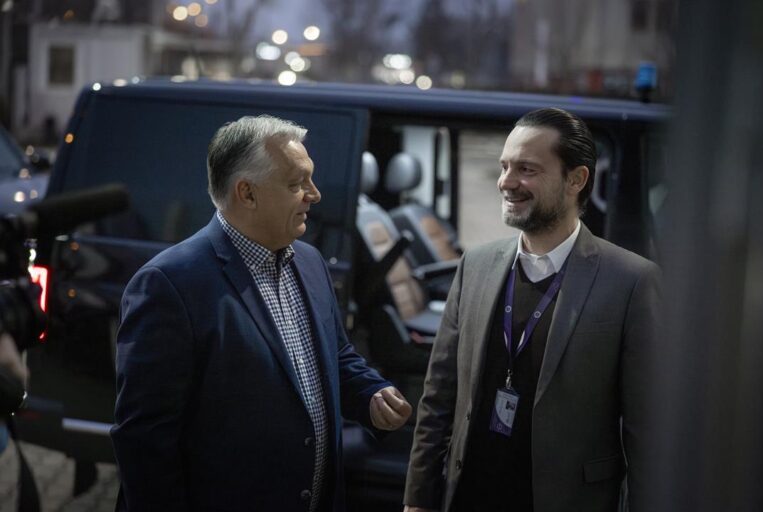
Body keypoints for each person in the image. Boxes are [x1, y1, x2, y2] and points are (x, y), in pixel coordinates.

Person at [111, 115, 412, 512]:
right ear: (247, 193)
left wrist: (370, 394)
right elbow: (144, 441)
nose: (315, 194)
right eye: (297, 183)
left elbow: (335, 355)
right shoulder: (170, 284)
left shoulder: (310, 262)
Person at [403, 108, 661, 512]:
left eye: (526, 169)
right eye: (505, 167)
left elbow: (646, 433)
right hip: (468, 495)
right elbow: (439, 397)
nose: (506, 182)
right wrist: (418, 499)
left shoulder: (631, 281)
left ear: (576, 179)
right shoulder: (476, 264)